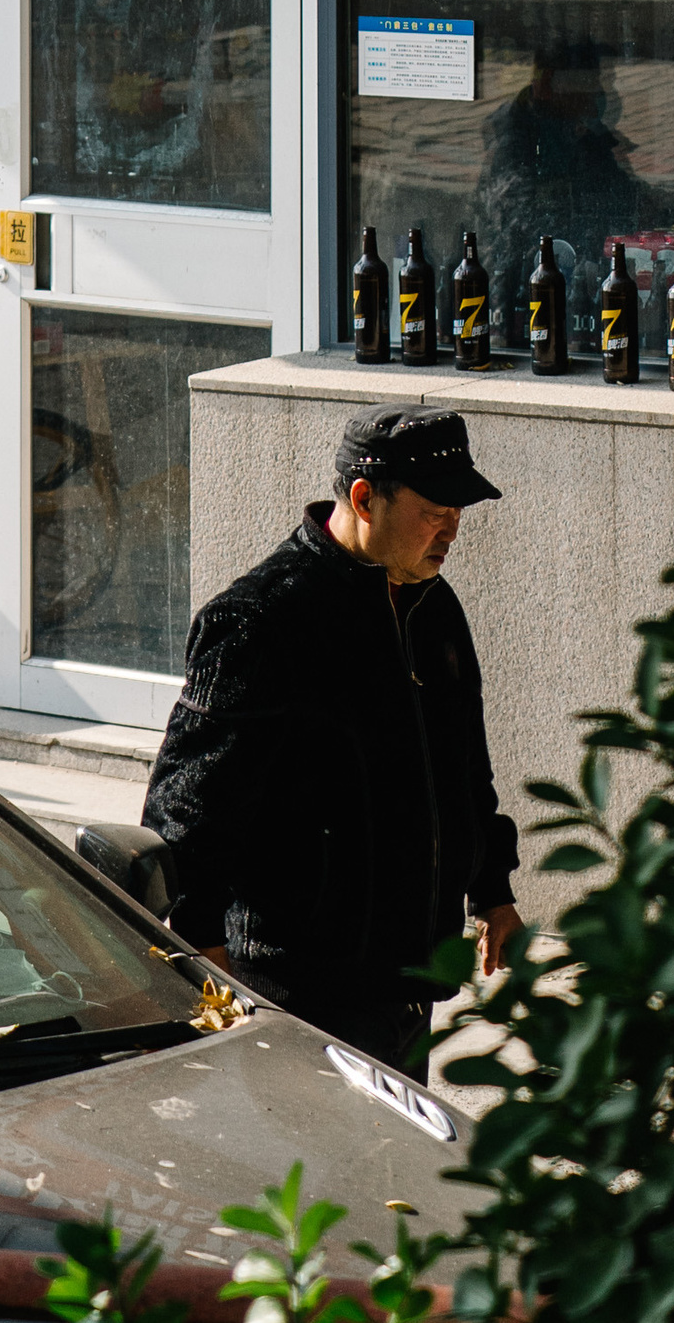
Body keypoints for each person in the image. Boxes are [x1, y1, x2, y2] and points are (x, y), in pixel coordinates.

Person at [143, 406, 524, 1073]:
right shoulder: (260, 622)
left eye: (460, 510)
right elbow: (186, 815)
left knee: (393, 1176)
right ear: (364, 498)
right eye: (437, 508)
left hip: (411, 983)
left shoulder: (436, 607)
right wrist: (206, 960)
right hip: (302, 993)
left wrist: (492, 889)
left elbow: (465, 765)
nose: (452, 528)